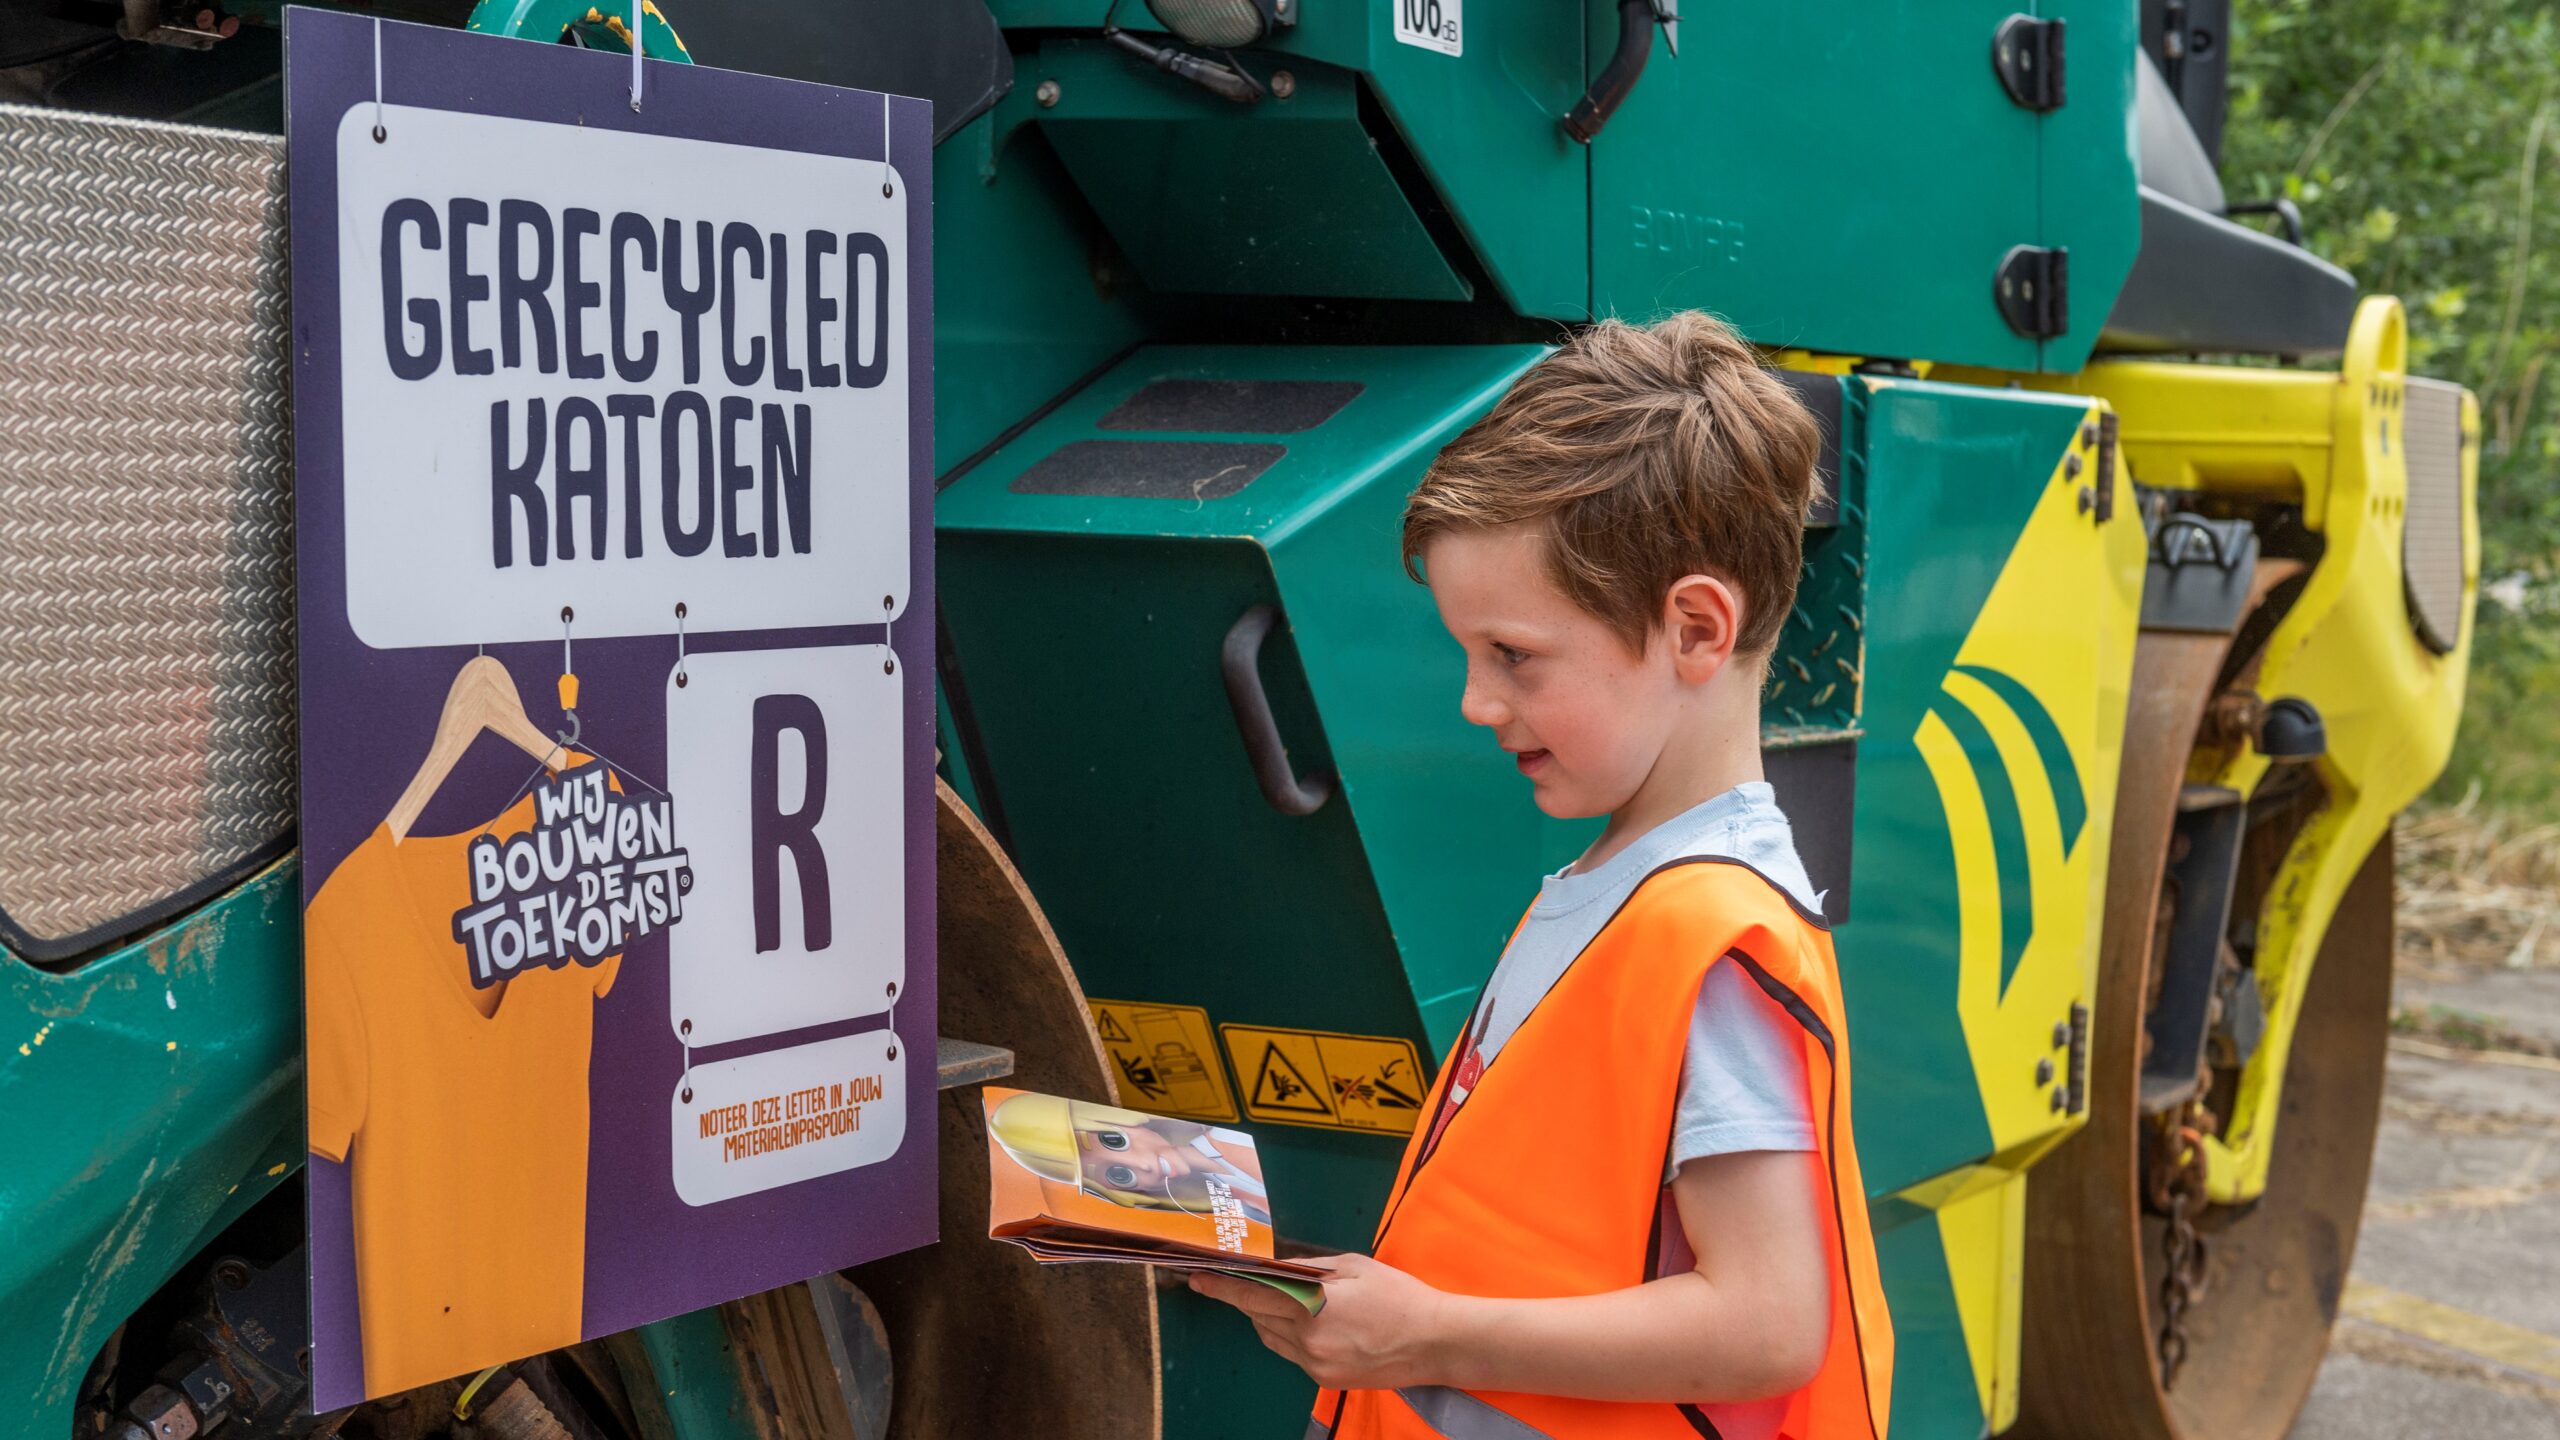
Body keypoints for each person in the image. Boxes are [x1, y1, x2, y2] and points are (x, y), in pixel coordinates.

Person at [1189, 314, 1895, 1439]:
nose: (1476, 701)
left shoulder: (1708, 938)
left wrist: (1427, 1333)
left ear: (1696, 630)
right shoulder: (1620, 887)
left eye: (1513, 656)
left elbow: (1767, 1325)